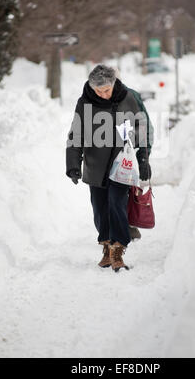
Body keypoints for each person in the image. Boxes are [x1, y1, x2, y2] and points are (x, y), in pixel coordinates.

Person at [66, 64, 153, 272]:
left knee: (117, 203)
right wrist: (72, 163)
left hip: (122, 163)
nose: (103, 95)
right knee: (99, 207)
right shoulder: (84, 102)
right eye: (99, 91)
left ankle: (118, 249)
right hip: (95, 163)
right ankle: (105, 245)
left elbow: (142, 128)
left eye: (106, 90)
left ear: (113, 84)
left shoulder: (128, 98)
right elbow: (75, 133)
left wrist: (143, 157)